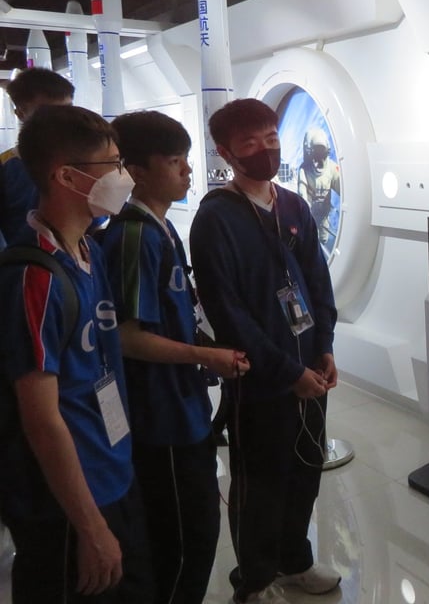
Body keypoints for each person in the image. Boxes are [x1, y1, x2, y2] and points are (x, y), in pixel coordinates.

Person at [189, 98, 341, 604]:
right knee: (261, 481)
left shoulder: (293, 205)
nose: (264, 151)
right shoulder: (215, 219)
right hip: (259, 377)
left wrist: (324, 348)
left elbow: (317, 281)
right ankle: (253, 580)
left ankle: (294, 560)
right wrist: (285, 371)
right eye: (250, 143)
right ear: (226, 152)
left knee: (305, 468)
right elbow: (228, 313)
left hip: (310, 370)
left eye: (271, 139)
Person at [0, 104, 152, 602]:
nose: (124, 177)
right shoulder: (34, 277)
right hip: (65, 504)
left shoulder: (88, 250)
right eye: (112, 166)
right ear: (66, 175)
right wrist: (90, 528)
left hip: (111, 471)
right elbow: (42, 420)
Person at [101, 110, 249, 604]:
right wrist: (202, 357)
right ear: (138, 171)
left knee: (196, 534)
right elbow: (127, 336)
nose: (187, 170)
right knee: (183, 542)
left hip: (183, 408)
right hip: (158, 419)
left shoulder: (162, 229)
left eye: (186, 159)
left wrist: (204, 350)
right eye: (173, 161)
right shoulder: (135, 236)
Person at [0, 68, 75, 247]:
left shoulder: (81, 161)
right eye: (48, 112)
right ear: (20, 113)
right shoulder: (6, 167)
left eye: (68, 111)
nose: (62, 120)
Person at [297, 126, 341, 250]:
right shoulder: (304, 170)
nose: (319, 158)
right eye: (316, 152)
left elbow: (342, 189)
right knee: (310, 242)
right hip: (310, 216)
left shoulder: (332, 169)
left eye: (321, 152)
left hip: (324, 216)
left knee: (324, 239)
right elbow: (302, 193)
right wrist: (306, 212)